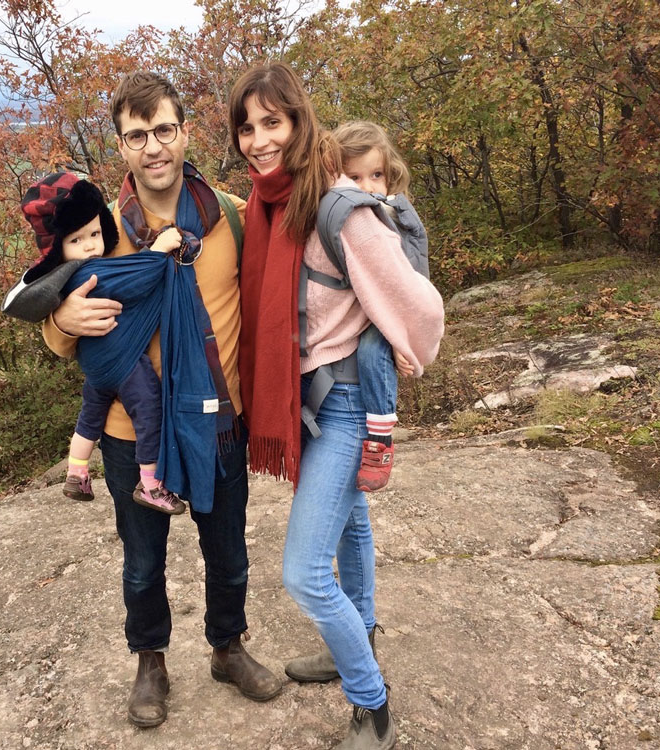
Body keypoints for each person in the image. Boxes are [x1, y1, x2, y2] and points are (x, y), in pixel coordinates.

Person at [40, 71, 281, 728]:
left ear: (184, 133)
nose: (153, 147)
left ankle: (227, 648)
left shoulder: (231, 214)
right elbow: (51, 320)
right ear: (120, 147)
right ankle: (151, 661)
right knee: (143, 560)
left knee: (228, 550)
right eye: (136, 135)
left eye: (164, 130)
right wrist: (65, 323)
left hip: (218, 418)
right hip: (130, 431)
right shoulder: (97, 232)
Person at [229, 63, 444, 750]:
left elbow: (419, 302)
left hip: (344, 401)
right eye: (246, 127)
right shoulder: (271, 204)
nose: (259, 140)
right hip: (316, 398)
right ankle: (362, 638)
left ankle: (370, 703)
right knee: (351, 526)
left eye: (273, 122)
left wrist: (409, 349)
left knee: (302, 574)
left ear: (299, 121)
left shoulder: (334, 207)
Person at [9, 172, 185, 515]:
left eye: (94, 234)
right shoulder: (93, 273)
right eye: (77, 240)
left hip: (97, 370)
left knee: (89, 417)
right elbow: (141, 278)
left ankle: (76, 472)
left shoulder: (69, 277)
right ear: (58, 248)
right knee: (150, 410)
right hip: (123, 365)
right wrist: (161, 249)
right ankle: (150, 483)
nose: (90, 245)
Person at [333, 120, 426, 491]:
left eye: (376, 175)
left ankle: (381, 439)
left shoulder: (395, 217)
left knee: (373, 352)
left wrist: (403, 340)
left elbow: (413, 278)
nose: (368, 187)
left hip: (392, 313)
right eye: (354, 178)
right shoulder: (341, 217)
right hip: (357, 317)